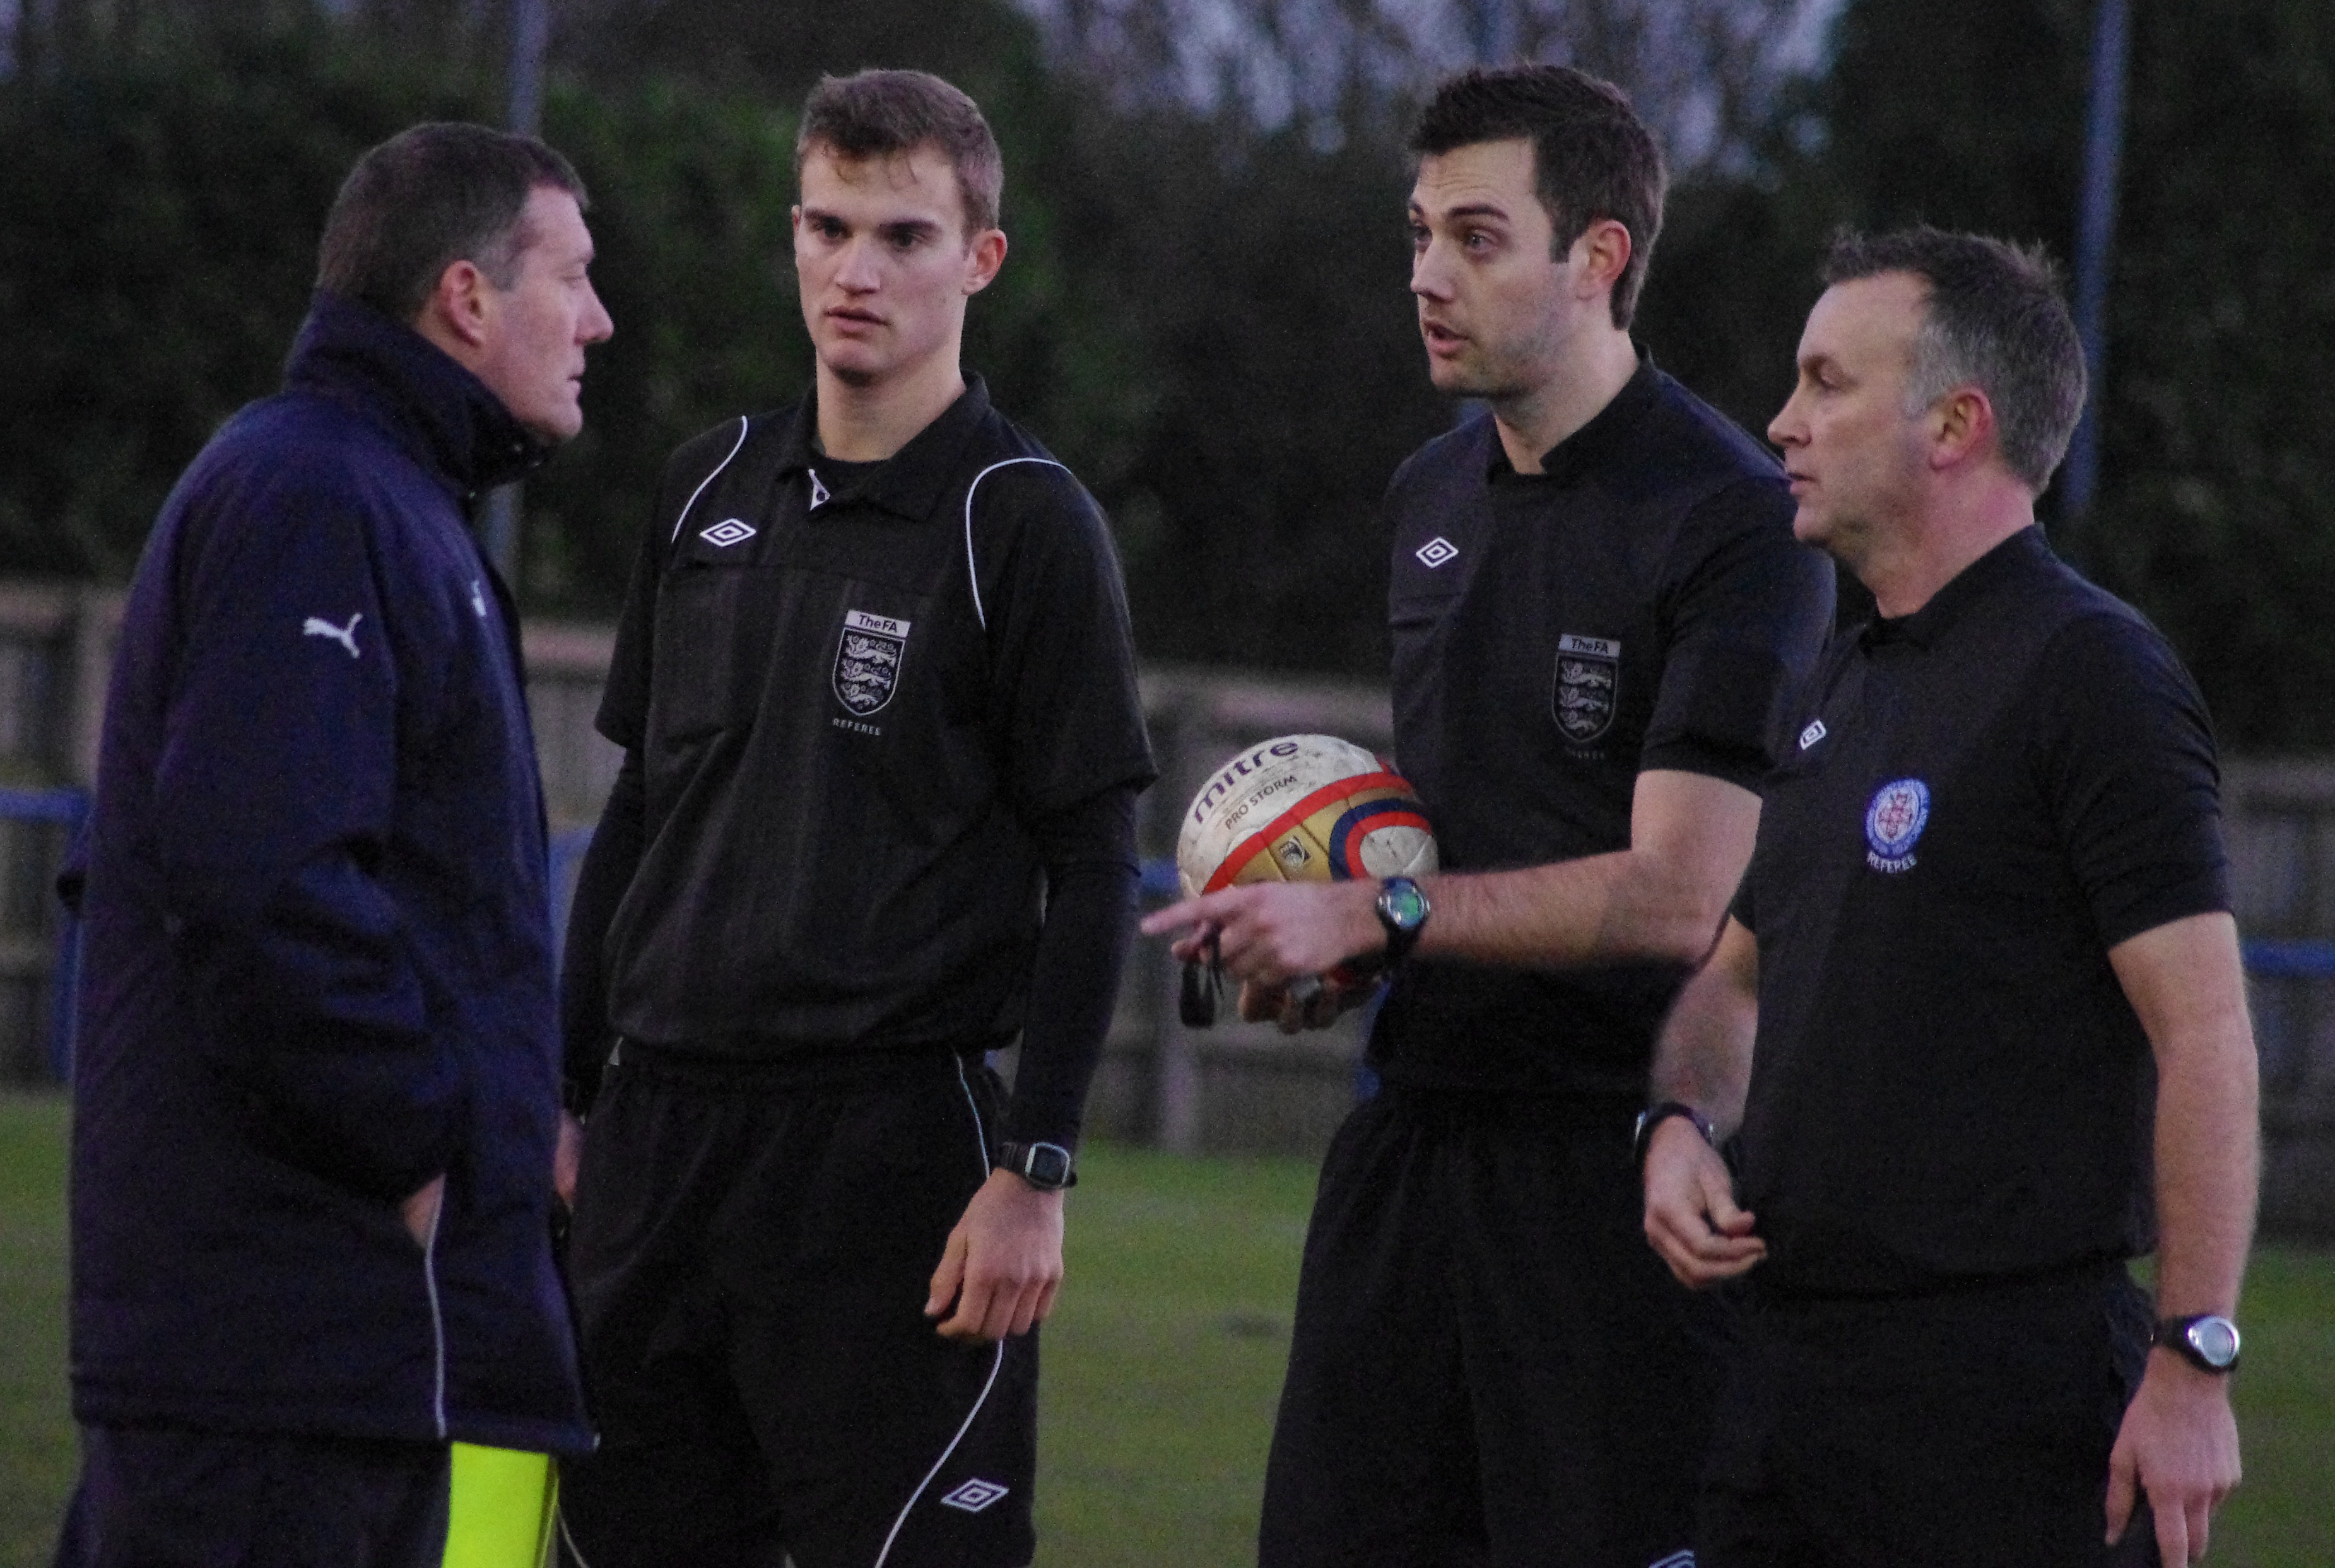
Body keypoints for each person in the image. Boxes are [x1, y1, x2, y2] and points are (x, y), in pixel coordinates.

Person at [1143, 64, 1833, 1568]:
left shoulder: (1733, 522)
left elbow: (1682, 892)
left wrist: (1377, 913)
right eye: (1416, 236)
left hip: (1616, 1175)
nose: (1426, 279)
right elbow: (1448, 842)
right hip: (1408, 1150)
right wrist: (1336, 943)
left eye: (1475, 238)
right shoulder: (1430, 496)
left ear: (1597, 260)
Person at [552, 69, 1154, 1568]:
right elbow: (637, 815)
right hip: (656, 1143)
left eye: (901, 234)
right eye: (828, 226)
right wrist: (566, 1098)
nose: (856, 270)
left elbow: (1093, 866)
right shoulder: (704, 491)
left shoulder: (1023, 522)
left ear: (980, 260)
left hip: (886, 1154)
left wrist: (1039, 1166)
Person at [1639, 228, 2257, 1567]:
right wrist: (1681, 1120)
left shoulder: (2092, 673)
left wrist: (2195, 1362)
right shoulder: (1843, 683)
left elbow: (2205, 1031)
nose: (1782, 419)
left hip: (2006, 1402)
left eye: (1826, 381)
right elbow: (1735, 980)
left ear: (1956, 424)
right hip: (1793, 1388)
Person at [57, 122, 613, 1567]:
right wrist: (427, 1152)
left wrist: (507, 1132)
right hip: (273, 1354)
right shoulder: (317, 497)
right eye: (574, 275)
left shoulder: (394, 503)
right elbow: (264, 883)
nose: (601, 321)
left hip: (333, 1362)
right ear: (466, 298)